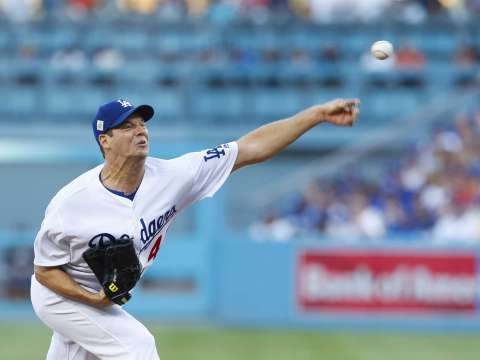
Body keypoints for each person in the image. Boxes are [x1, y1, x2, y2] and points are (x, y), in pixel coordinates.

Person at [30, 97, 360, 359]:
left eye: (142, 122)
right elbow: (45, 271)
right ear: (105, 141)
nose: (140, 130)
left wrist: (316, 114)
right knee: (137, 347)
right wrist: (93, 298)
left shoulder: (176, 176)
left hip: (97, 296)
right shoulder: (71, 203)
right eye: (127, 126)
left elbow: (250, 148)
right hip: (60, 296)